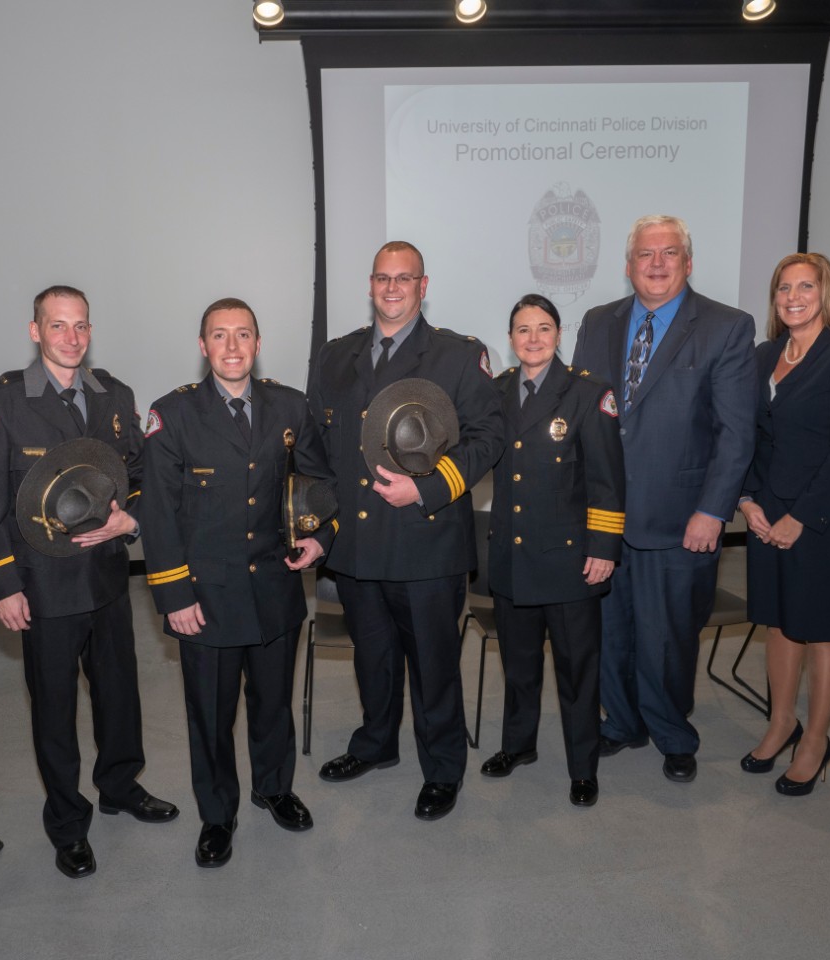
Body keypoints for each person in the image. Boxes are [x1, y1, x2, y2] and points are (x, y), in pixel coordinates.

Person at [0, 284, 176, 881]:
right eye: (58, 326)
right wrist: (2, 585)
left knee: (119, 695)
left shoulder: (114, 395)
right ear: (36, 331)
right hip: (41, 587)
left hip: (106, 577)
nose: (71, 338)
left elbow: (135, 471)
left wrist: (128, 518)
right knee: (54, 710)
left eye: (80, 326)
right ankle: (67, 823)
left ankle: (119, 786)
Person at [306, 241, 503, 820]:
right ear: (370, 285)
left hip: (426, 538)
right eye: (382, 278)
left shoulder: (457, 355)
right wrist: (319, 522)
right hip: (358, 545)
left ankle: (443, 768)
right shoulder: (336, 356)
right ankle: (377, 742)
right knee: (374, 657)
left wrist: (428, 487)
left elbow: (487, 437)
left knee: (434, 663)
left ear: (423, 285)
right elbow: (316, 446)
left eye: (404, 278)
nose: (392, 288)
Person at [140, 298, 334, 867]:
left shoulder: (290, 406)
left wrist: (321, 537)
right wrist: (174, 595)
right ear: (203, 347)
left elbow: (321, 482)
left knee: (272, 705)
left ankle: (274, 788)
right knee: (211, 716)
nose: (232, 346)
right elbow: (158, 512)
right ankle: (217, 815)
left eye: (242, 335)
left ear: (257, 342)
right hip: (205, 598)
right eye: (219, 336)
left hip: (275, 589)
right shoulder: (171, 415)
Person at [571, 215, 755, 784]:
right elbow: (582, 415)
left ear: (688, 262)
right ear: (628, 266)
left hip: (681, 519)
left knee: (669, 636)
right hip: (603, 515)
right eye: (645, 254)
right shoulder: (599, 322)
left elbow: (737, 433)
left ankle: (674, 734)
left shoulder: (726, 327)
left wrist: (713, 511)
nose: (656, 263)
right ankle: (622, 722)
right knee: (610, 632)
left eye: (669, 253)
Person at [737, 253, 830, 796]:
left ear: (826, 292)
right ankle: (781, 723)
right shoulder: (762, 355)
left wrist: (802, 516)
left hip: (823, 517)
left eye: (805, 286)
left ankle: (816, 739)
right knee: (779, 622)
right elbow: (747, 434)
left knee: (822, 629)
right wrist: (748, 499)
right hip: (766, 512)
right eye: (783, 289)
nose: (793, 297)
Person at [482, 294, 625, 807]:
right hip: (513, 558)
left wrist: (605, 547)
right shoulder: (495, 392)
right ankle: (518, 746)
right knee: (519, 666)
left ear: (559, 335)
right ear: (511, 338)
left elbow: (608, 480)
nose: (534, 338)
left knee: (577, 672)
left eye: (543, 328)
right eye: (523, 330)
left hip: (570, 562)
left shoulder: (588, 393)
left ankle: (583, 768)